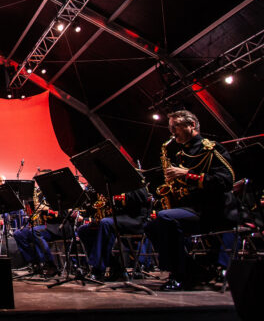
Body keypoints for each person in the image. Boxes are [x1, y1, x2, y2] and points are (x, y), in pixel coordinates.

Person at [144, 110, 235, 291]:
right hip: (191, 208)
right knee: (150, 225)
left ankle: (181, 274)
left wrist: (187, 175)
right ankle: (193, 270)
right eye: (170, 127)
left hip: (213, 210)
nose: (172, 131)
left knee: (166, 218)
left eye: (175, 126)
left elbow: (227, 180)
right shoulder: (181, 154)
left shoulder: (211, 148)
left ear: (191, 125)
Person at [76, 187, 150, 281]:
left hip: (134, 218)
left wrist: (114, 198)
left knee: (105, 223)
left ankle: (98, 269)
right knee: (84, 230)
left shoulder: (133, 177)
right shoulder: (109, 181)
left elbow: (141, 197)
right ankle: (116, 267)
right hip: (115, 217)